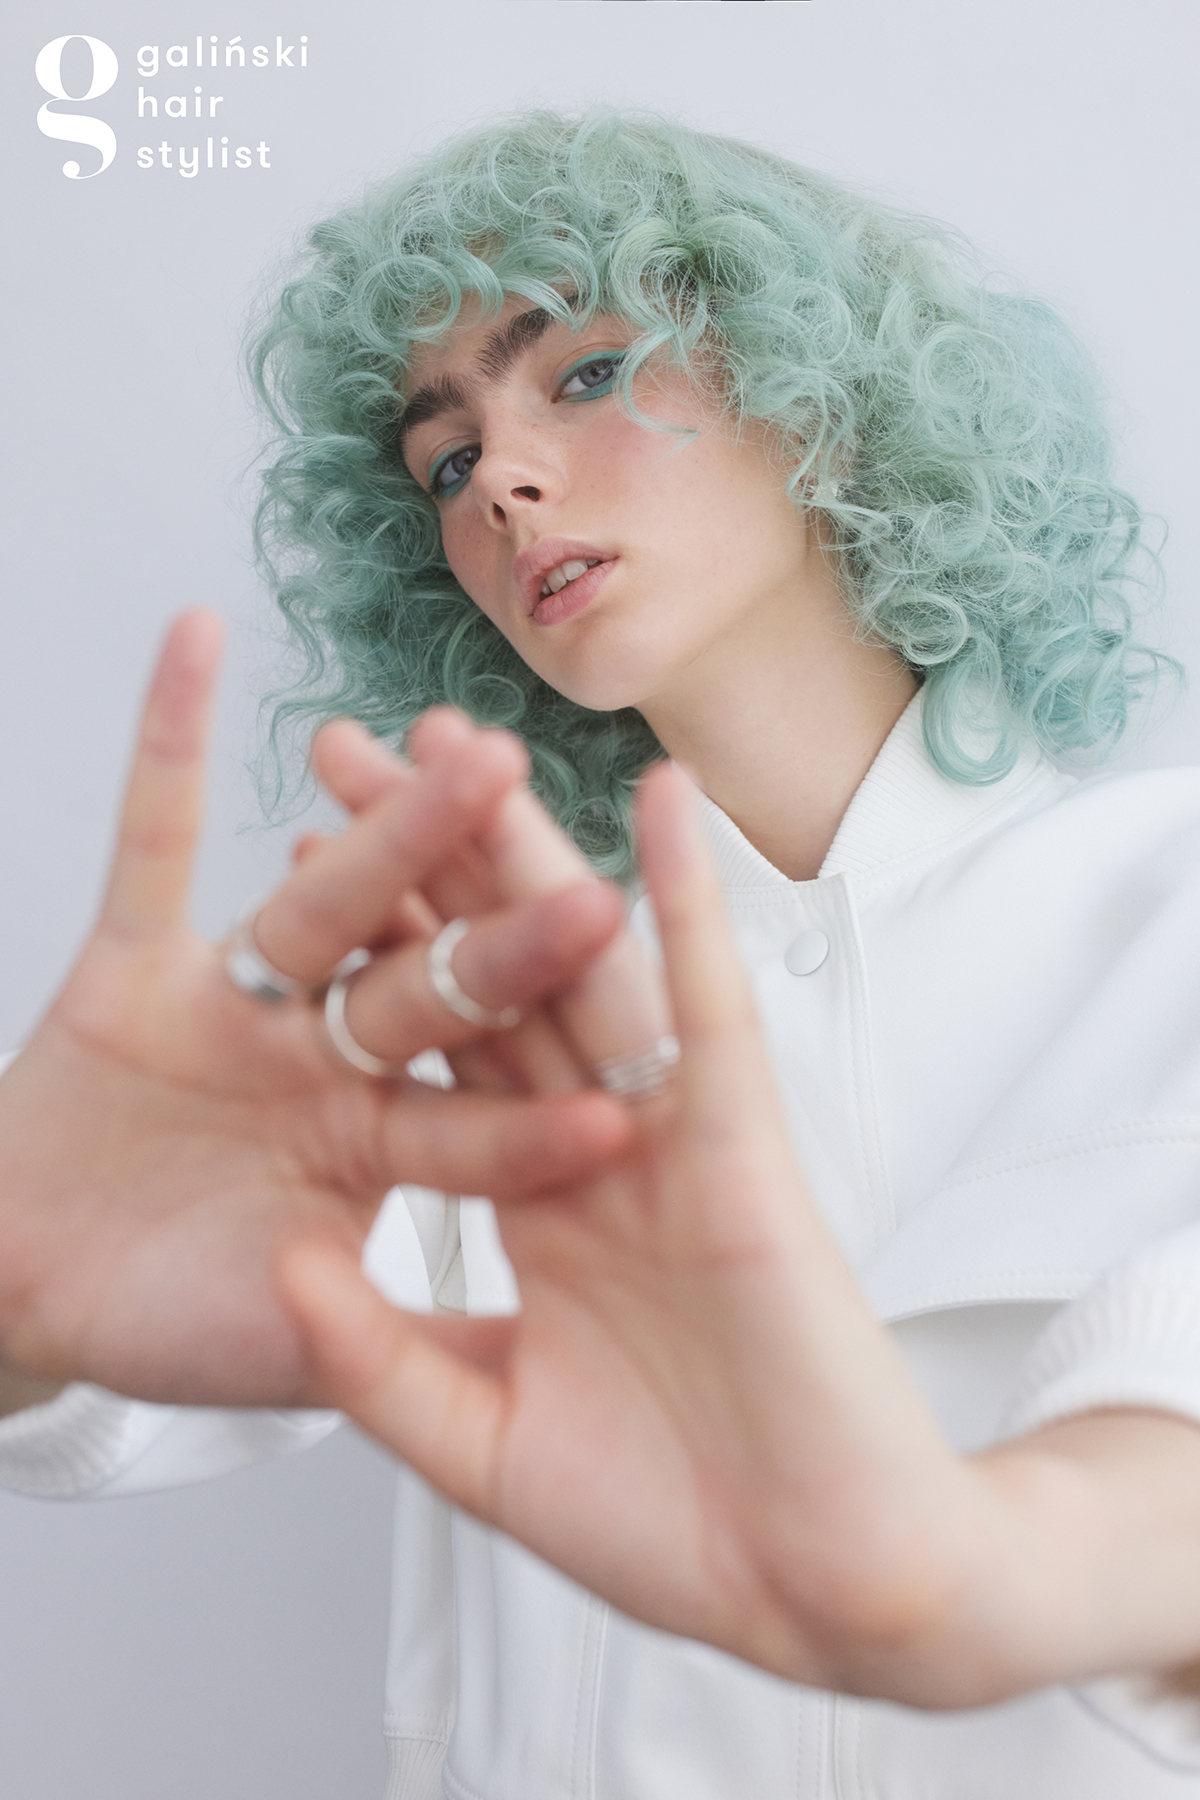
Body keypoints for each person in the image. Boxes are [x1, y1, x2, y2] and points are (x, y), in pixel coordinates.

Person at [5, 106, 1200, 1797]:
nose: (500, 478)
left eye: (583, 372)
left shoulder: (1173, 904)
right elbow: (118, 1370)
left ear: (823, 399)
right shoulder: (468, 1021)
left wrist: (980, 1575)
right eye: (444, 461)